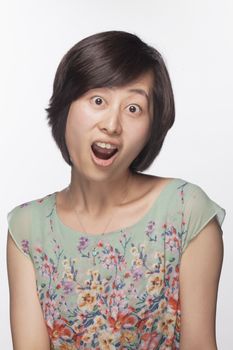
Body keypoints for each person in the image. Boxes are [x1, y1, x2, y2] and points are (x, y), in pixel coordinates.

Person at [6, 30, 226, 350]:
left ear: (152, 127)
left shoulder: (185, 211)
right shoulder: (28, 228)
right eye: (98, 100)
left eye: (133, 108)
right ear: (66, 105)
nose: (112, 124)